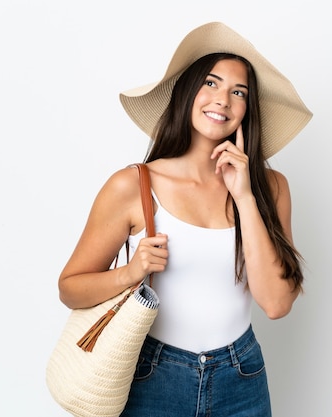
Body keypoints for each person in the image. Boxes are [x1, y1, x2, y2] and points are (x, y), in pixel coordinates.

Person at [58, 22, 312, 417]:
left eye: (238, 92)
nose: (223, 100)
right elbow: (70, 288)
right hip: (152, 376)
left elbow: (277, 304)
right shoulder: (134, 184)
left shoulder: (271, 188)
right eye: (211, 83)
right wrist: (130, 272)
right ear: (188, 91)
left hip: (240, 377)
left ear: (248, 110)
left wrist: (245, 195)